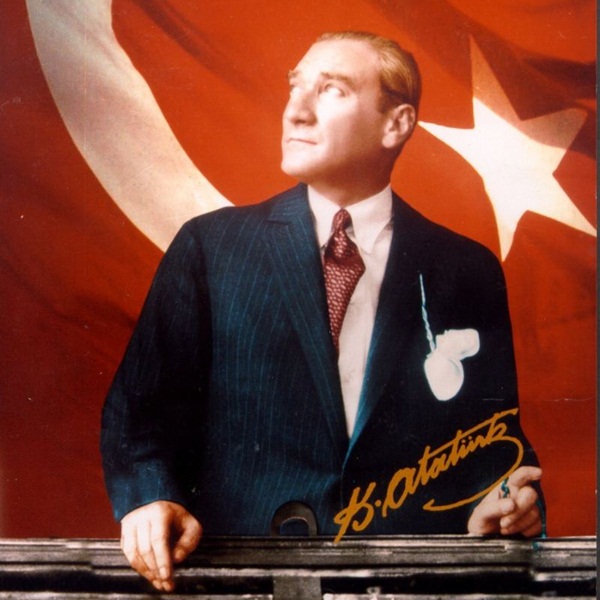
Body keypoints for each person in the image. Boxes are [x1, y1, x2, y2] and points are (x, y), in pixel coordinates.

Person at [101, 31, 543, 592]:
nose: (296, 111)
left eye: (332, 90)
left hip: (406, 586)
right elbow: (139, 412)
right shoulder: (210, 248)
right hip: (240, 583)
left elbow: (493, 442)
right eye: (296, 87)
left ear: (396, 125)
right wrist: (149, 497)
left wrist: (500, 505)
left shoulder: (467, 268)